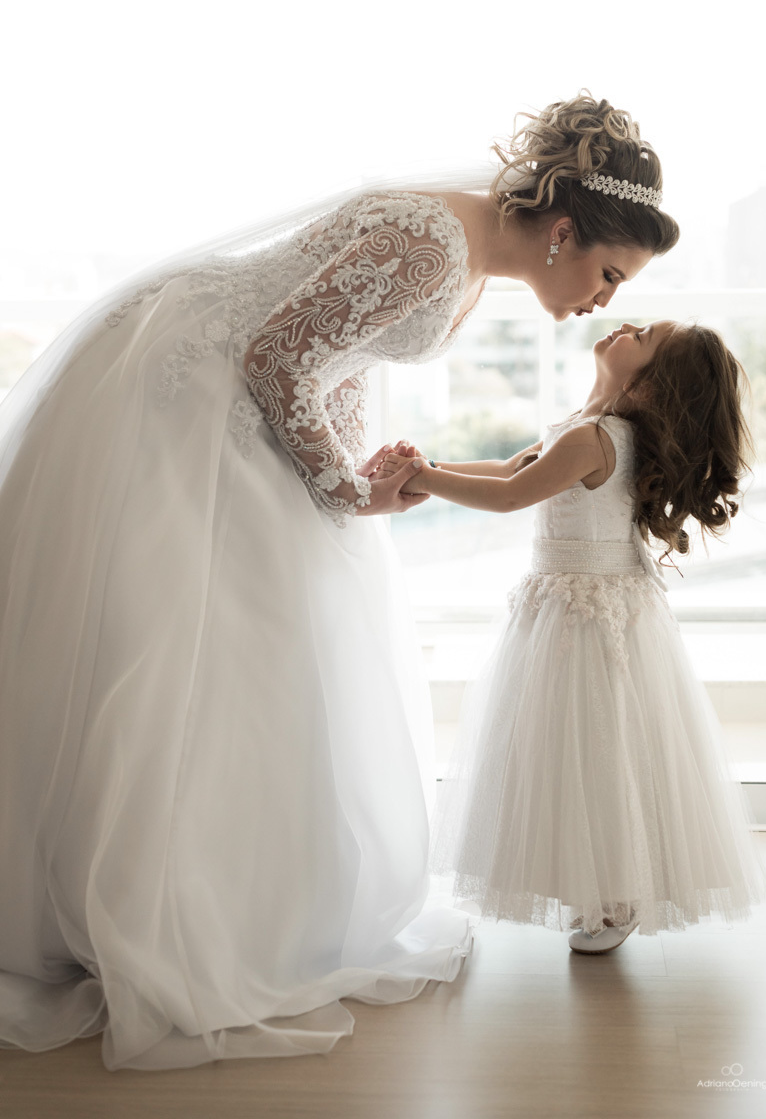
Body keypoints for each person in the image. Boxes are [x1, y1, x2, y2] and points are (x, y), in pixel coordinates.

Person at [0, 94, 679, 1071]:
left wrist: (356, 460)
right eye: (608, 273)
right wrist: (338, 487)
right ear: (564, 232)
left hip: (235, 391)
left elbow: (340, 346)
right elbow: (279, 351)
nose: (605, 300)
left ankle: (224, 896)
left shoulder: (468, 252)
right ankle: (136, 909)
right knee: (169, 648)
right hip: (182, 393)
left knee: (255, 654)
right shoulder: (438, 246)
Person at [377, 319, 766, 950]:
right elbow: (511, 467)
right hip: (573, 602)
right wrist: (428, 463)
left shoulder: (595, 438)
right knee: (579, 749)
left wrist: (422, 479)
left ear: (648, 387)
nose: (627, 323)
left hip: (589, 611)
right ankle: (600, 887)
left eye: (643, 336)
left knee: (600, 746)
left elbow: (511, 497)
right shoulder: (582, 428)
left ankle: (614, 895)